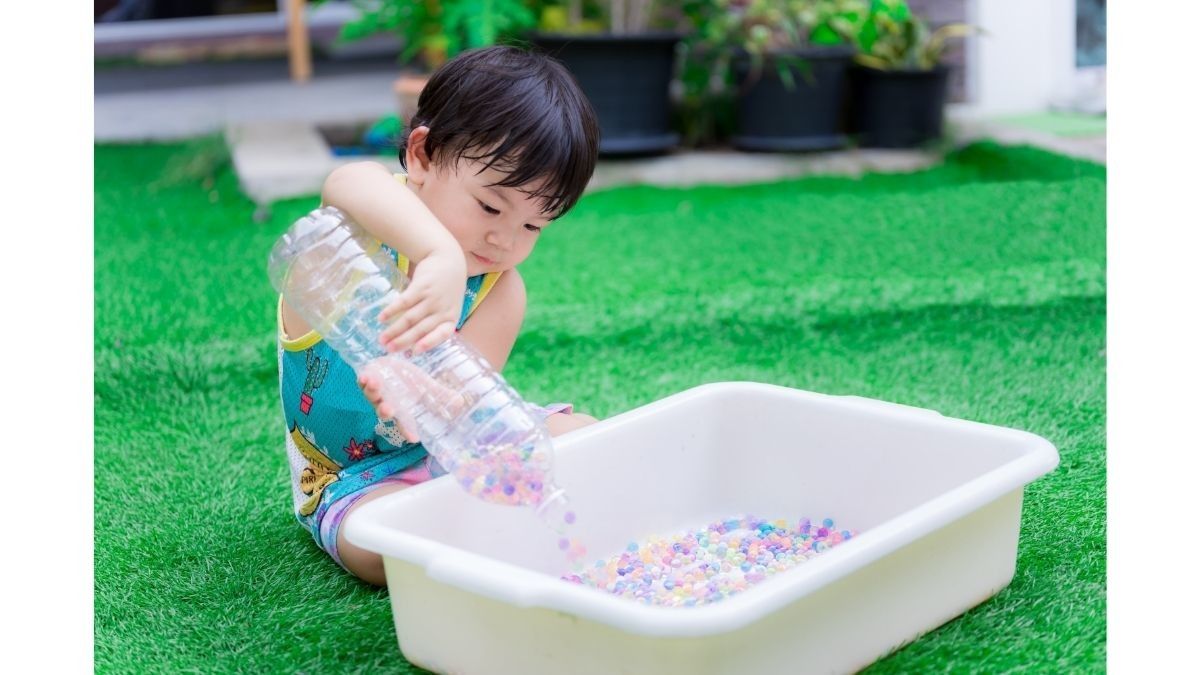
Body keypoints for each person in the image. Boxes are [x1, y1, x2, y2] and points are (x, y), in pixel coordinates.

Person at [275, 45, 601, 585]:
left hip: (452, 450)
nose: (504, 240)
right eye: (491, 207)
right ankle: (468, 524)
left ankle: (477, 520)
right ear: (423, 156)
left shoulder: (501, 289)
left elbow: (464, 400)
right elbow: (346, 181)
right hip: (355, 478)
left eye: (533, 227)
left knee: (589, 438)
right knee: (379, 549)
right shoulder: (351, 237)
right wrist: (439, 255)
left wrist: (422, 400)